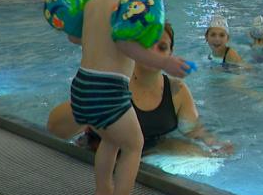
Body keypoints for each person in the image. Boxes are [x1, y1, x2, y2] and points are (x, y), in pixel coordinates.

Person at [67, 0, 191, 195]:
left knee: (110, 140)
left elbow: (76, 39)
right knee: (134, 144)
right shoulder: (125, 6)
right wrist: (166, 63)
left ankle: (102, 190)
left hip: (82, 87)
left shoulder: (94, 3)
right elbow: (127, 45)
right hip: (108, 90)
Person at [48, 22, 232, 159]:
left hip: (152, 151)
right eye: (146, 43)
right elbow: (55, 129)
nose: (153, 52)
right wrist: (91, 102)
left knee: (200, 155)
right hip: (101, 156)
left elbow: (193, 130)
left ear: (171, 53)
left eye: (162, 47)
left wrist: (214, 144)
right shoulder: (113, 84)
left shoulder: (177, 90)